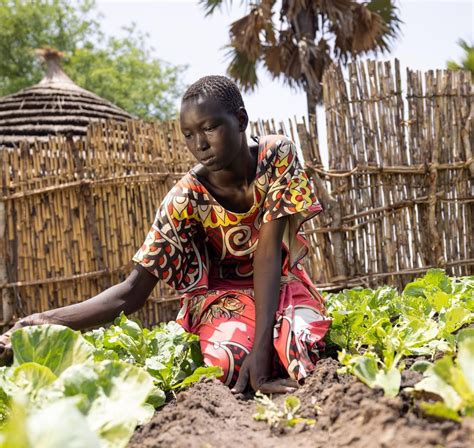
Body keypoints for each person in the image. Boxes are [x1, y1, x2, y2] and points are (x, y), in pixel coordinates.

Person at [0, 76, 331, 394]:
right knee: (228, 363)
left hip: (281, 285)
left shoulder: (277, 156)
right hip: (224, 300)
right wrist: (39, 322)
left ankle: (269, 347)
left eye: (209, 128)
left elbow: (269, 253)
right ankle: (252, 348)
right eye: (188, 134)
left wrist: (262, 350)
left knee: (295, 346)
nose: (199, 144)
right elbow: (132, 292)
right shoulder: (185, 199)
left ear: (240, 120)